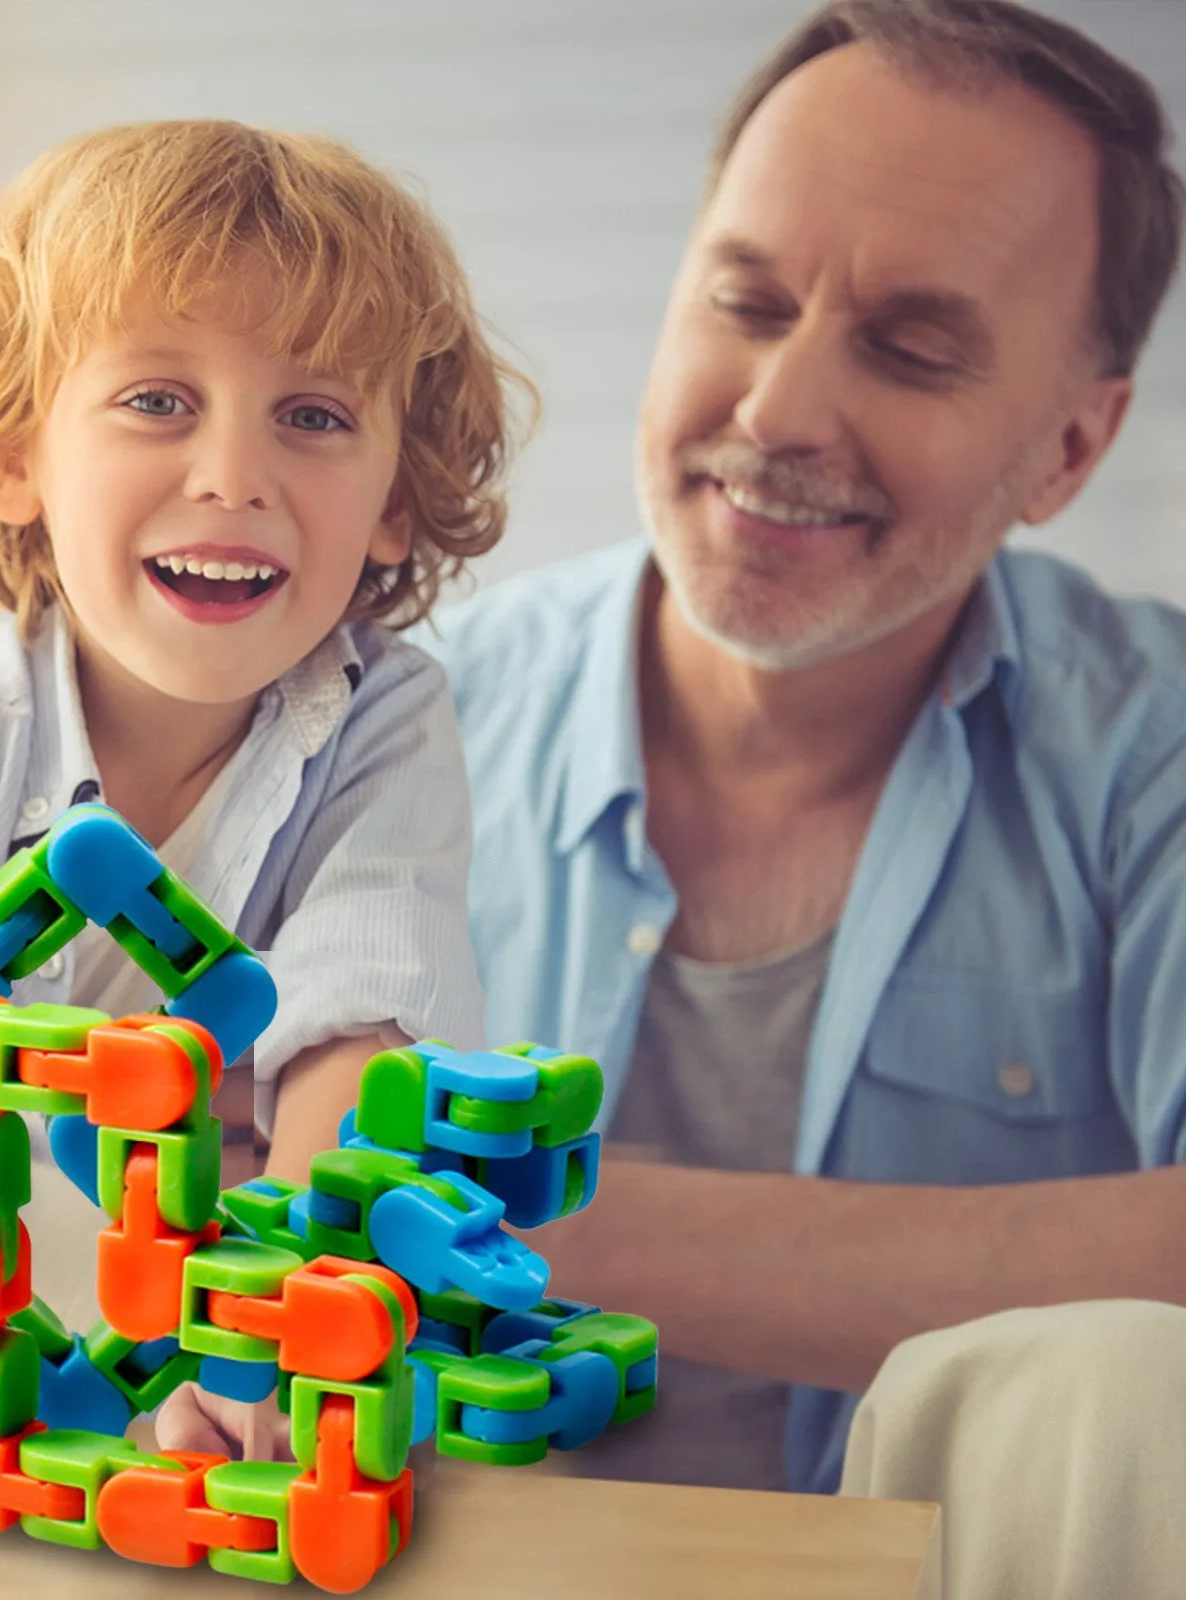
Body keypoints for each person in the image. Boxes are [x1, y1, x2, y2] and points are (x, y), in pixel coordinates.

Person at [424, 0, 1186, 1538]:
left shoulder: (1154, 748)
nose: (776, 416)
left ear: (1068, 453)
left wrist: (525, 1219)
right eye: (745, 304)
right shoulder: (396, 726)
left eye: (911, 350)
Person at [0, 120, 532, 1192]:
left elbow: (365, 1017)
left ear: (393, 500)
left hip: (175, 1304)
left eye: (312, 414)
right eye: (158, 401)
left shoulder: (380, 723)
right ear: (18, 458)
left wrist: (289, 1297)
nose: (234, 475)